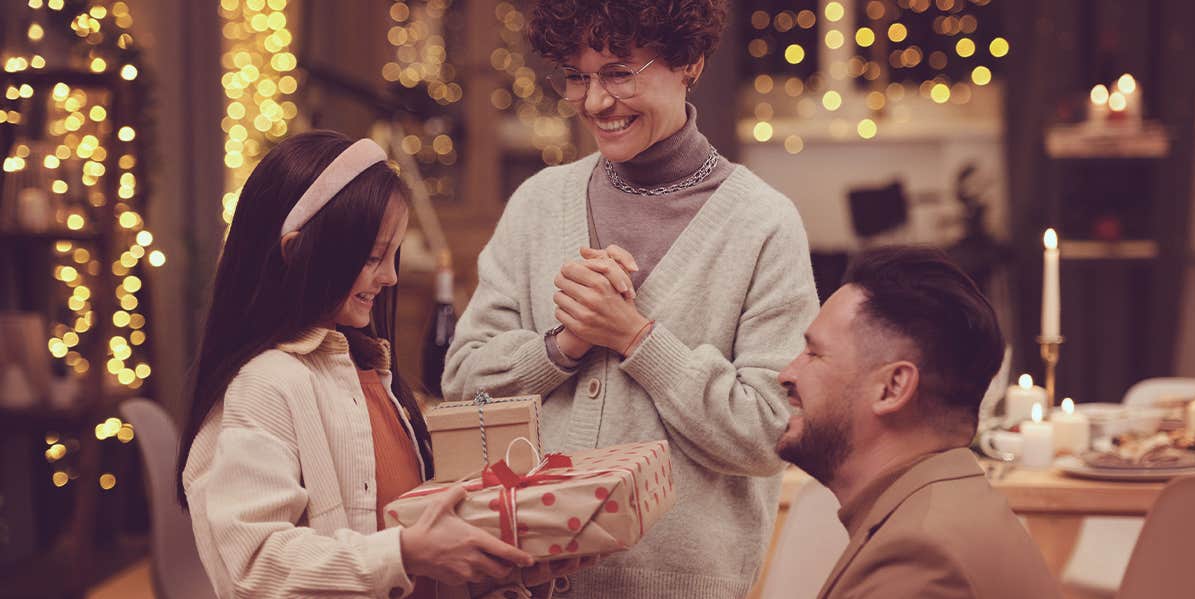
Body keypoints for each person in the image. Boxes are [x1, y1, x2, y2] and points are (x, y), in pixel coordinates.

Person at [442, 1, 819, 597]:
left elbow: (772, 432)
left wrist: (636, 338)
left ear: (689, 62)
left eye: (619, 73)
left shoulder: (763, 225)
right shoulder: (539, 205)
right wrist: (563, 345)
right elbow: (463, 384)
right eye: (577, 75)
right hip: (520, 584)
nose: (594, 102)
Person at [176, 131, 554, 598]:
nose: (391, 276)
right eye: (374, 257)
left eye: (392, 255)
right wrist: (405, 554)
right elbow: (255, 567)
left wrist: (500, 572)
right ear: (296, 252)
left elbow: (409, 553)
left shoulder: (367, 371)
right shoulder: (265, 387)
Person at [774, 246, 1060, 599]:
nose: (786, 374)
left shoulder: (920, 557)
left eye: (814, 354)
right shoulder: (950, 505)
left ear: (892, 388)